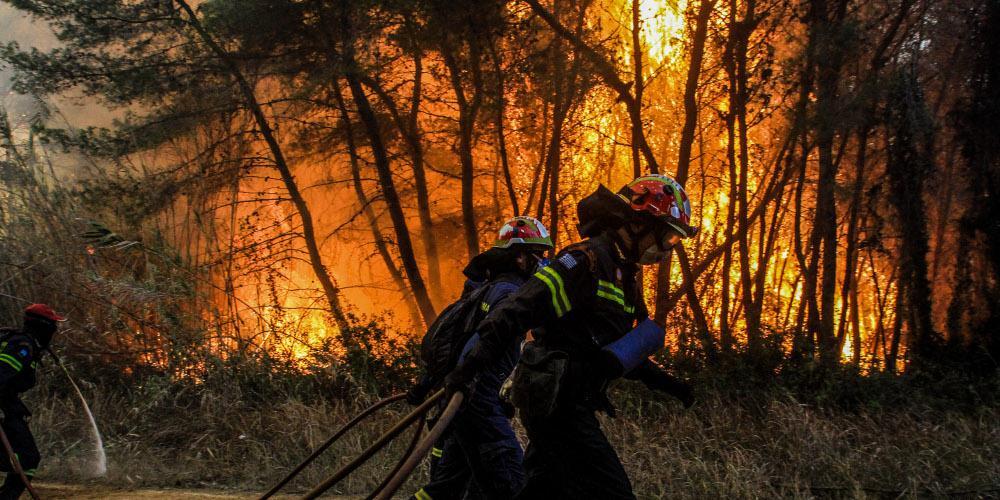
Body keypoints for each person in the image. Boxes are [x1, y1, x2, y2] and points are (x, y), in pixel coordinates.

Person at [446, 174, 697, 500]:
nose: (665, 251)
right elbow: (516, 310)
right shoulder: (585, 261)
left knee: (543, 490)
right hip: (557, 404)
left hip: (569, 400)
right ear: (638, 222)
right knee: (612, 492)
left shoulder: (625, 279)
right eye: (667, 238)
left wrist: (670, 385)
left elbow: (616, 351)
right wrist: (471, 365)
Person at [410, 217, 554, 500]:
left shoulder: (485, 289)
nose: (544, 262)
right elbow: (480, 343)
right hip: (477, 404)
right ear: (521, 257)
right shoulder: (511, 295)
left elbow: (459, 343)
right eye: (539, 254)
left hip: (464, 403)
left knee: (448, 489)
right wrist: (466, 379)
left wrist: (428, 383)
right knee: (514, 484)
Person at [0, 303, 65, 499]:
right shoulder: (22, 346)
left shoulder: (25, 343)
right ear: (43, 326)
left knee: (27, 458)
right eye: (53, 326)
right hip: (3, 405)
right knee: (27, 457)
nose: (55, 331)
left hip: (7, 404)